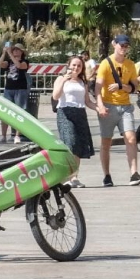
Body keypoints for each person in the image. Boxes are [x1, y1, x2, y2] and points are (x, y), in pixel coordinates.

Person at [95, 34, 140, 187]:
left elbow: (134, 87)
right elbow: (98, 87)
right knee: (106, 142)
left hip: (125, 106)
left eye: (126, 46)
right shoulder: (106, 63)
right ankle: (107, 175)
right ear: (114, 44)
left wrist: (122, 87)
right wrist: (100, 105)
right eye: (121, 45)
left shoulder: (130, 64)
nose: (123, 48)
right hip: (108, 105)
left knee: (131, 138)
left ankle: (134, 174)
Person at [51, 56, 95, 187]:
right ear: (68, 65)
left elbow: (87, 101)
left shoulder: (83, 82)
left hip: (80, 113)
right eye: (74, 65)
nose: (76, 68)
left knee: (78, 146)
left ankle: (74, 177)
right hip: (65, 112)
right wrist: (64, 79)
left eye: (79, 66)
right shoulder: (61, 78)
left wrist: (99, 108)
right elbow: (56, 96)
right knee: (70, 143)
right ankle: (66, 176)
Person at [0, 43, 31, 144]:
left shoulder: (25, 61)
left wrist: (10, 54)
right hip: (9, 88)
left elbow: (19, 66)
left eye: (17, 50)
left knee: (19, 112)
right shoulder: (9, 62)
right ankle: (3, 136)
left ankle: (17, 135)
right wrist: (4, 53)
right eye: (14, 50)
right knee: (5, 112)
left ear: (22, 52)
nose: (15, 51)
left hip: (20, 89)